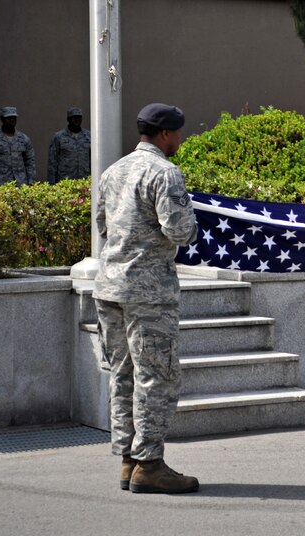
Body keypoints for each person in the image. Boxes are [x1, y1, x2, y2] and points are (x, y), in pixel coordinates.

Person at [93, 103, 199, 494]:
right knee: (156, 376)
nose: (180, 140)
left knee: (122, 376)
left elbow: (103, 226)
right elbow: (180, 231)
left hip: (110, 289)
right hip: (148, 294)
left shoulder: (113, 171)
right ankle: (149, 463)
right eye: (178, 133)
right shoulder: (165, 173)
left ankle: (127, 460)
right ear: (166, 135)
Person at [0, 106, 36, 186]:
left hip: (20, 183)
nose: (11, 120)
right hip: (0, 183)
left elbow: (30, 162)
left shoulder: (24, 139)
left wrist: (31, 181)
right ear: (2, 119)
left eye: (14, 117)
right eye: (8, 118)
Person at [47, 107, 91, 184]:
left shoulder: (89, 136)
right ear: (68, 119)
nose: (77, 120)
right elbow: (52, 162)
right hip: (65, 181)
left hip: (85, 180)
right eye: (74, 118)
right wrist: (51, 183)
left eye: (79, 117)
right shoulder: (59, 137)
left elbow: (93, 159)